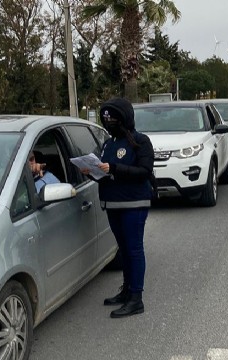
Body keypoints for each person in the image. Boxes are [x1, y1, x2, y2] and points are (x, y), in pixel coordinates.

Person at [80, 97, 154, 318]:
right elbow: (106, 175)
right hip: (112, 203)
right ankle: (126, 290)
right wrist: (92, 171)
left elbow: (144, 172)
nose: (108, 120)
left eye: (112, 116)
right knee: (123, 250)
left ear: (123, 117)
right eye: (105, 117)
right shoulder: (108, 144)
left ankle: (136, 298)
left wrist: (113, 167)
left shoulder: (141, 141)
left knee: (134, 250)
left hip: (134, 204)